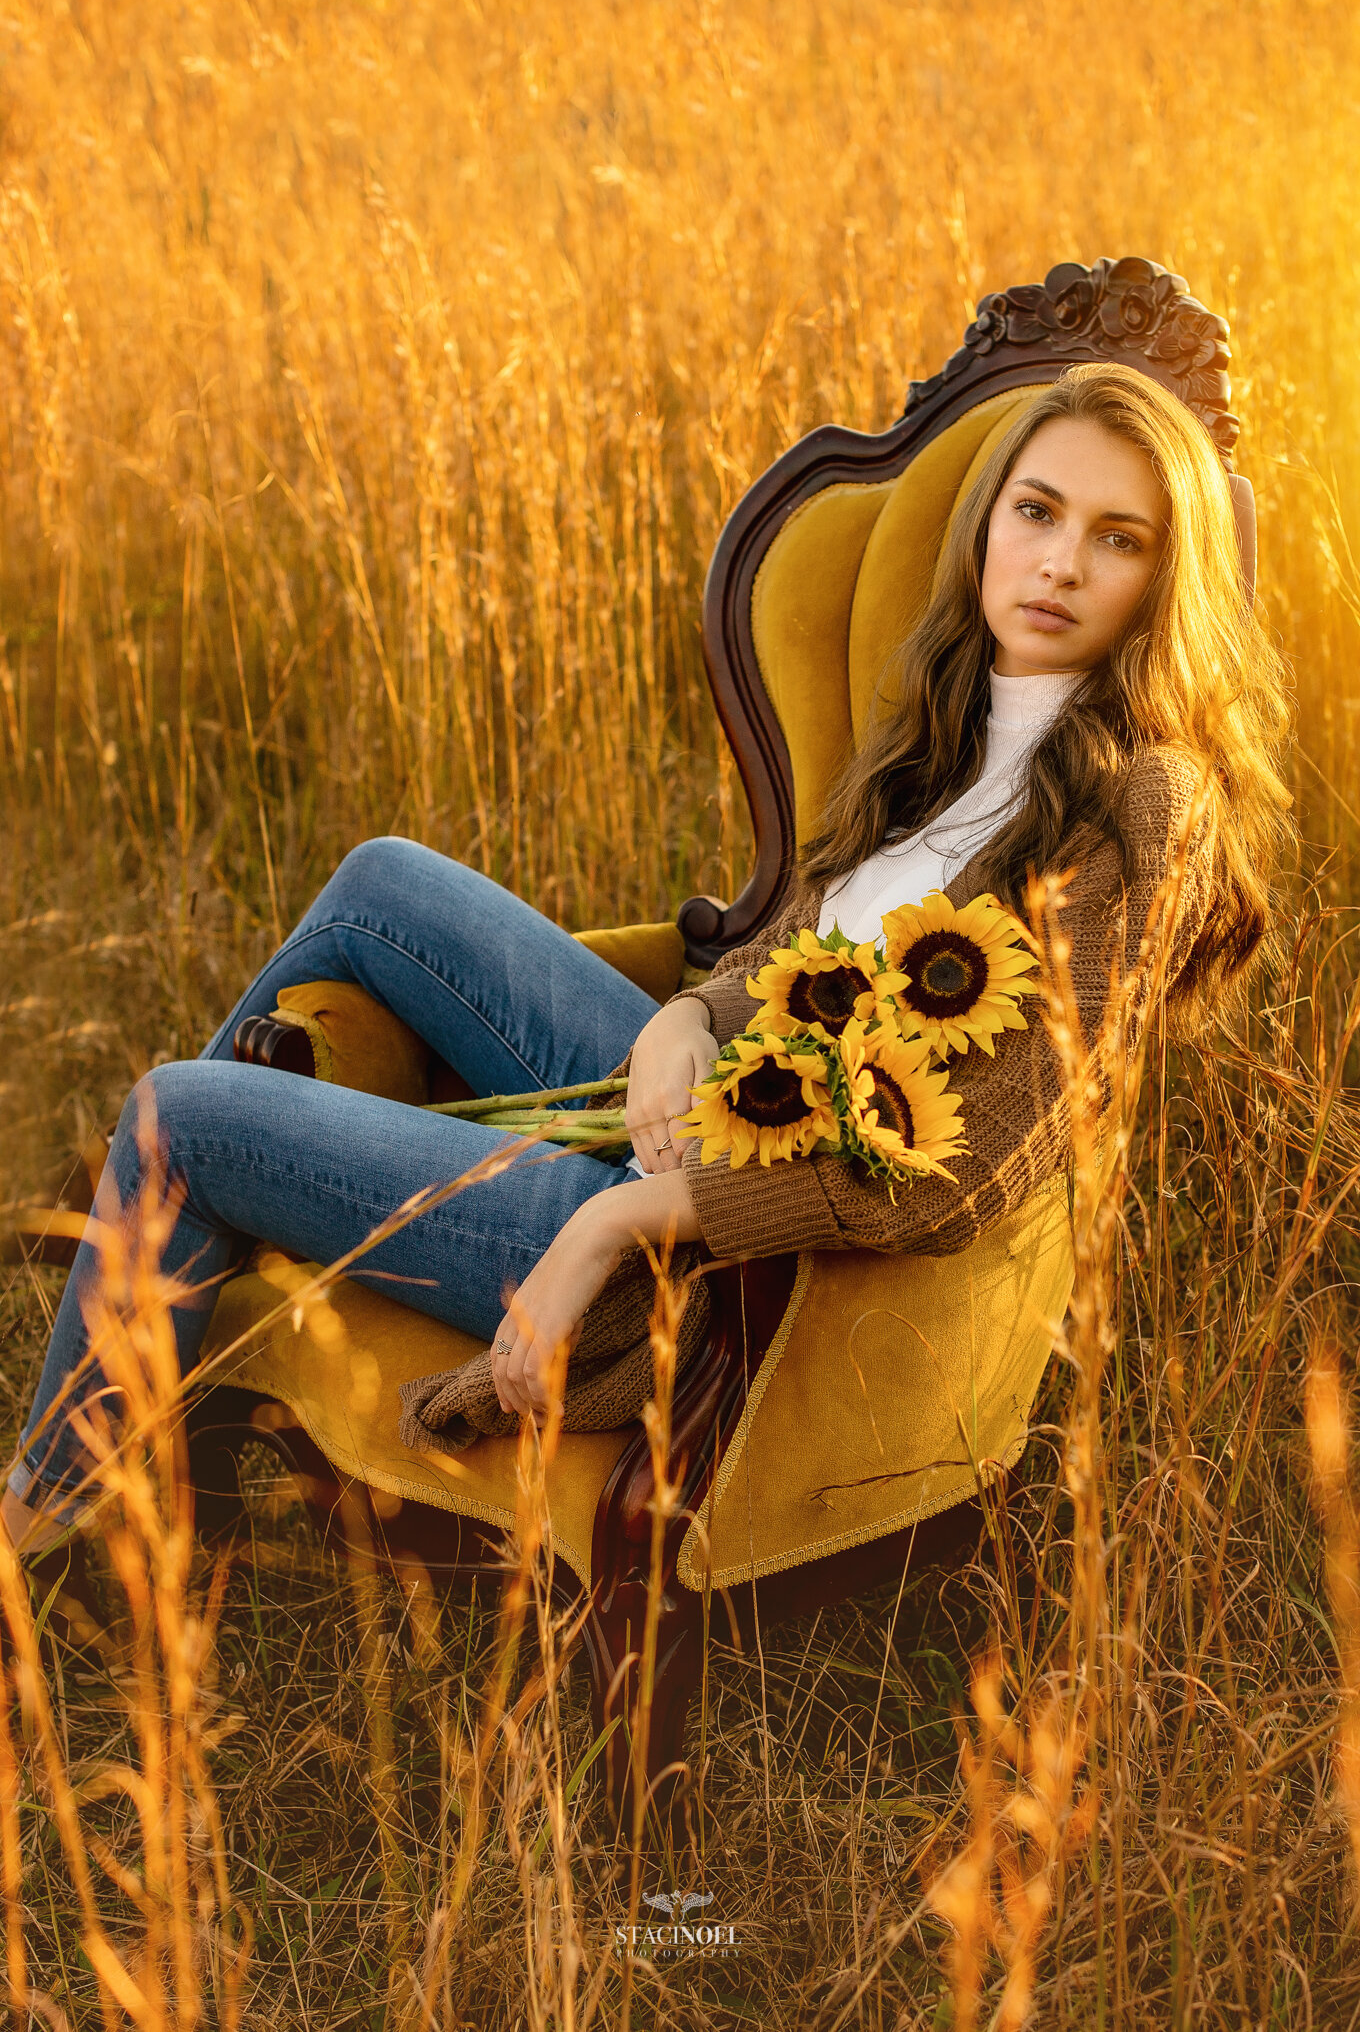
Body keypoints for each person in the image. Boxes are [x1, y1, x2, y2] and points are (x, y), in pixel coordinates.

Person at [2, 361, 1291, 1565]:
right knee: (383, 883)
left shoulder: (1147, 806)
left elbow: (950, 1174)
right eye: (1039, 510)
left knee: (181, 1117)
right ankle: (168, 1291)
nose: (1060, 563)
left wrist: (621, 1218)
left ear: (1161, 584)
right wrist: (686, 1013)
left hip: (718, 1252)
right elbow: (803, 953)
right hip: (704, 1114)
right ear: (990, 521)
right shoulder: (956, 724)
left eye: (1116, 539)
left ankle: (44, 1526)